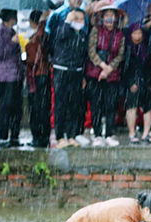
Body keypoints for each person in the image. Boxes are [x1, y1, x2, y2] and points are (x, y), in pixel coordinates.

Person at [86, 4, 127, 148]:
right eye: (107, 15)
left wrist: (109, 69)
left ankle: (109, 133)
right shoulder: (96, 31)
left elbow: (121, 54)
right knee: (96, 105)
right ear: (102, 17)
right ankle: (97, 134)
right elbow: (91, 51)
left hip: (113, 75)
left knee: (111, 105)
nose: (110, 18)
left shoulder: (119, 34)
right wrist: (102, 66)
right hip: (95, 74)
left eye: (112, 15)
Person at [52, 9, 89, 148]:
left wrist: (83, 75)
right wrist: (68, 21)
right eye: (76, 18)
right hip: (62, 71)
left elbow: (84, 56)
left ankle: (72, 135)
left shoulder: (83, 35)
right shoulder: (63, 29)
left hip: (77, 72)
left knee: (75, 105)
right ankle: (60, 136)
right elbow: (59, 37)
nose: (79, 22)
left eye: (81, 19)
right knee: (61, 104)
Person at [0, 9, 24, 148]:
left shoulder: (13, 32)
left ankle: (14, 137)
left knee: (17, 108)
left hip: (16, 76)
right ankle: (3, 137)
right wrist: (11, 43)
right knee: (6, 107)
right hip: (6, 77)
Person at [124, 23, 151, 144]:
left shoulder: (146, 48)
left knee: (148, 107)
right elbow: (125, 68)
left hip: (146, 81)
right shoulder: (127, 49)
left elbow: (150, 65)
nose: (137, 36)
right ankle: (132, 132)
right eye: (134, 33)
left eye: (139, 33)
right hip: (132, 82)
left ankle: (146, 133)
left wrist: (147, 81)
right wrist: (131, 82)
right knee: (132, 106)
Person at [25, 10, 52, 148]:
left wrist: (43, 19)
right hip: (41, 75)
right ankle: (42, 137)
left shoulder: (38, 37)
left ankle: (39, 137)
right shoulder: (43, 37)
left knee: (37, 108)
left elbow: (31, 59)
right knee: (42, 108)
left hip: (37, 76)